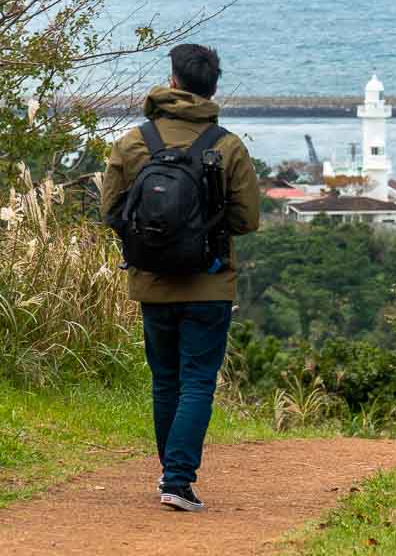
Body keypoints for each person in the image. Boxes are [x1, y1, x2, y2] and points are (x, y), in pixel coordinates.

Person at [100, 44, 260, 512]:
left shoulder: (134, 142)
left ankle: (169, 473)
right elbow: (247, 219)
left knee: (165, 380)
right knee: (196, 381)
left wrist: (152, 239)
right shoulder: (227, 145)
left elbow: (110, 211)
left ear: (172, 82)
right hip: (209, 283)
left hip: (152, 281)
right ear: (213, 88)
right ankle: (177, 479)